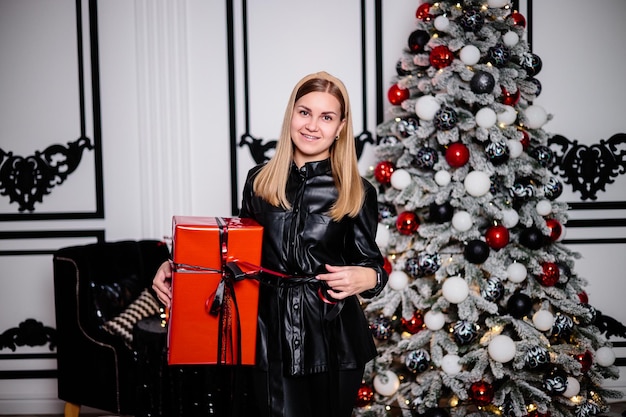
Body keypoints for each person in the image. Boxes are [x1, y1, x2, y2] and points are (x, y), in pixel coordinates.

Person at [153, 71, 388, 417]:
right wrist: (177, 266)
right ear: (291, 115)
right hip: (266, 332)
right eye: (304, 112)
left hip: (333, 336)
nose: (312, 125)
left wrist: (368, 278)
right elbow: (235, 253)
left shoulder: (358, 191)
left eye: (326, 117)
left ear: (340, 127)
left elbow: (372, 265)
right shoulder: (259, 181)